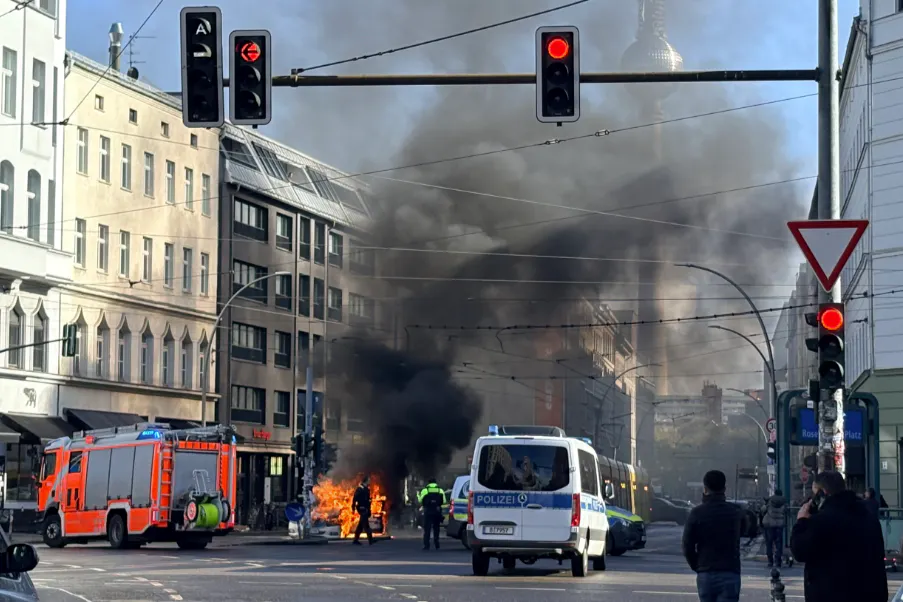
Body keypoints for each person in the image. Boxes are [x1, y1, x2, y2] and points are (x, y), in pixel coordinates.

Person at [790, 471, 887, 602]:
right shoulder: (868, 517)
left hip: (831, 594)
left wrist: (802, 521)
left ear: (822, 493)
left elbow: (799, 550)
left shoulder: (822, 521)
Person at [681, 470, 747, 602]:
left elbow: (687, 546)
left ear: (705, 489)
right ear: (724, 489)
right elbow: (745, 531)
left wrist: (698, 566)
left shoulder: (696, 513)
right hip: (730, 570)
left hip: (706, 571)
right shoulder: (736, 512)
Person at [418, 477, 447, 551]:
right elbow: (444, 501)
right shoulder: (440, 490)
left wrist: (418, 495)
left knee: (427, 529)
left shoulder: (425, 490)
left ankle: (426, 545)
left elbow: (421, 501)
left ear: (429, 483)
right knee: (436, 529)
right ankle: (437, 545)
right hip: (437, 512)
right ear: (435, 482)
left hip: (428, 512)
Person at [761, 488, 787, 568]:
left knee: (769, 543)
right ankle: (778, 561)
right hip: (779, 525)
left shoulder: (770, 501)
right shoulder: (784, 501)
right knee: (779, 543)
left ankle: (770, 561)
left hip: (769, 524)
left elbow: (763, 510)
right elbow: (786, 511)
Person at [351, 475, 374, 546]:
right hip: (362, 509)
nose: (370, 481)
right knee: (366, 525)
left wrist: (369, 509)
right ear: (366, 481)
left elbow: (367, 501)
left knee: (360, 526)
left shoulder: (366, 489)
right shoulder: (360, 489)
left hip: (366, 509)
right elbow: (355, 499)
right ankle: (371, 540)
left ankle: (355, 540)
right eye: (369, 480)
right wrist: (353, 507)